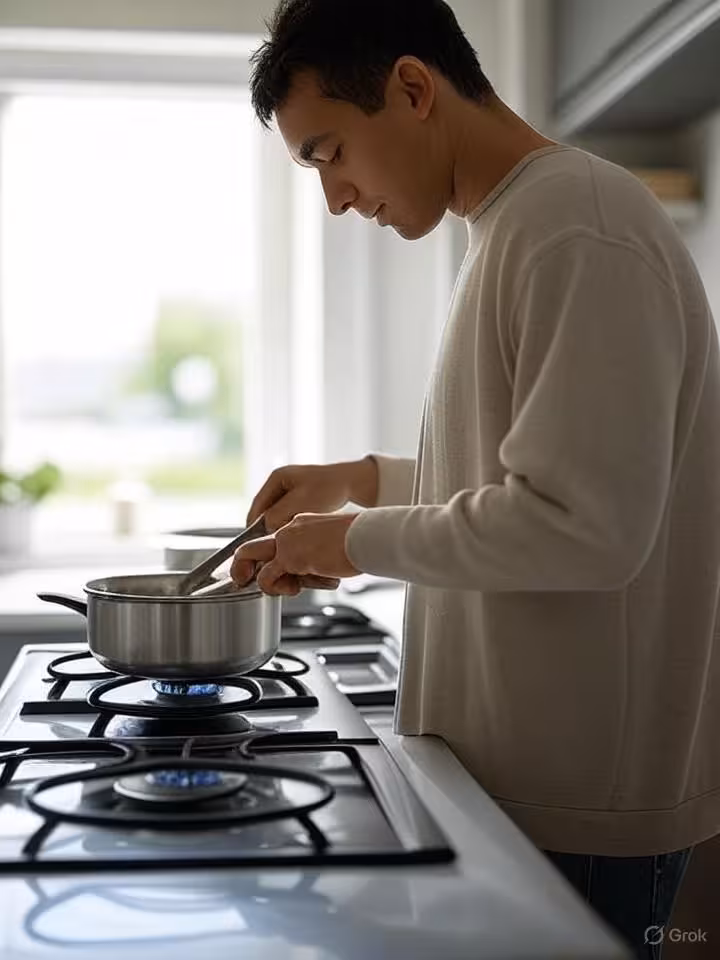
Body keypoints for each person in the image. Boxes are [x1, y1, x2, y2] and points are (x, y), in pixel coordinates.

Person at [231, 1, 720, 956]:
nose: (334, 199)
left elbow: (583, 527)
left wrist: (352, 542)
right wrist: (363, 481)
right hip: (525, 792)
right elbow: (534, 481)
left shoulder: (575, 225)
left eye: (328, 154)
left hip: (578, 809)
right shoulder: (515, 226)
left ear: (413, 89)